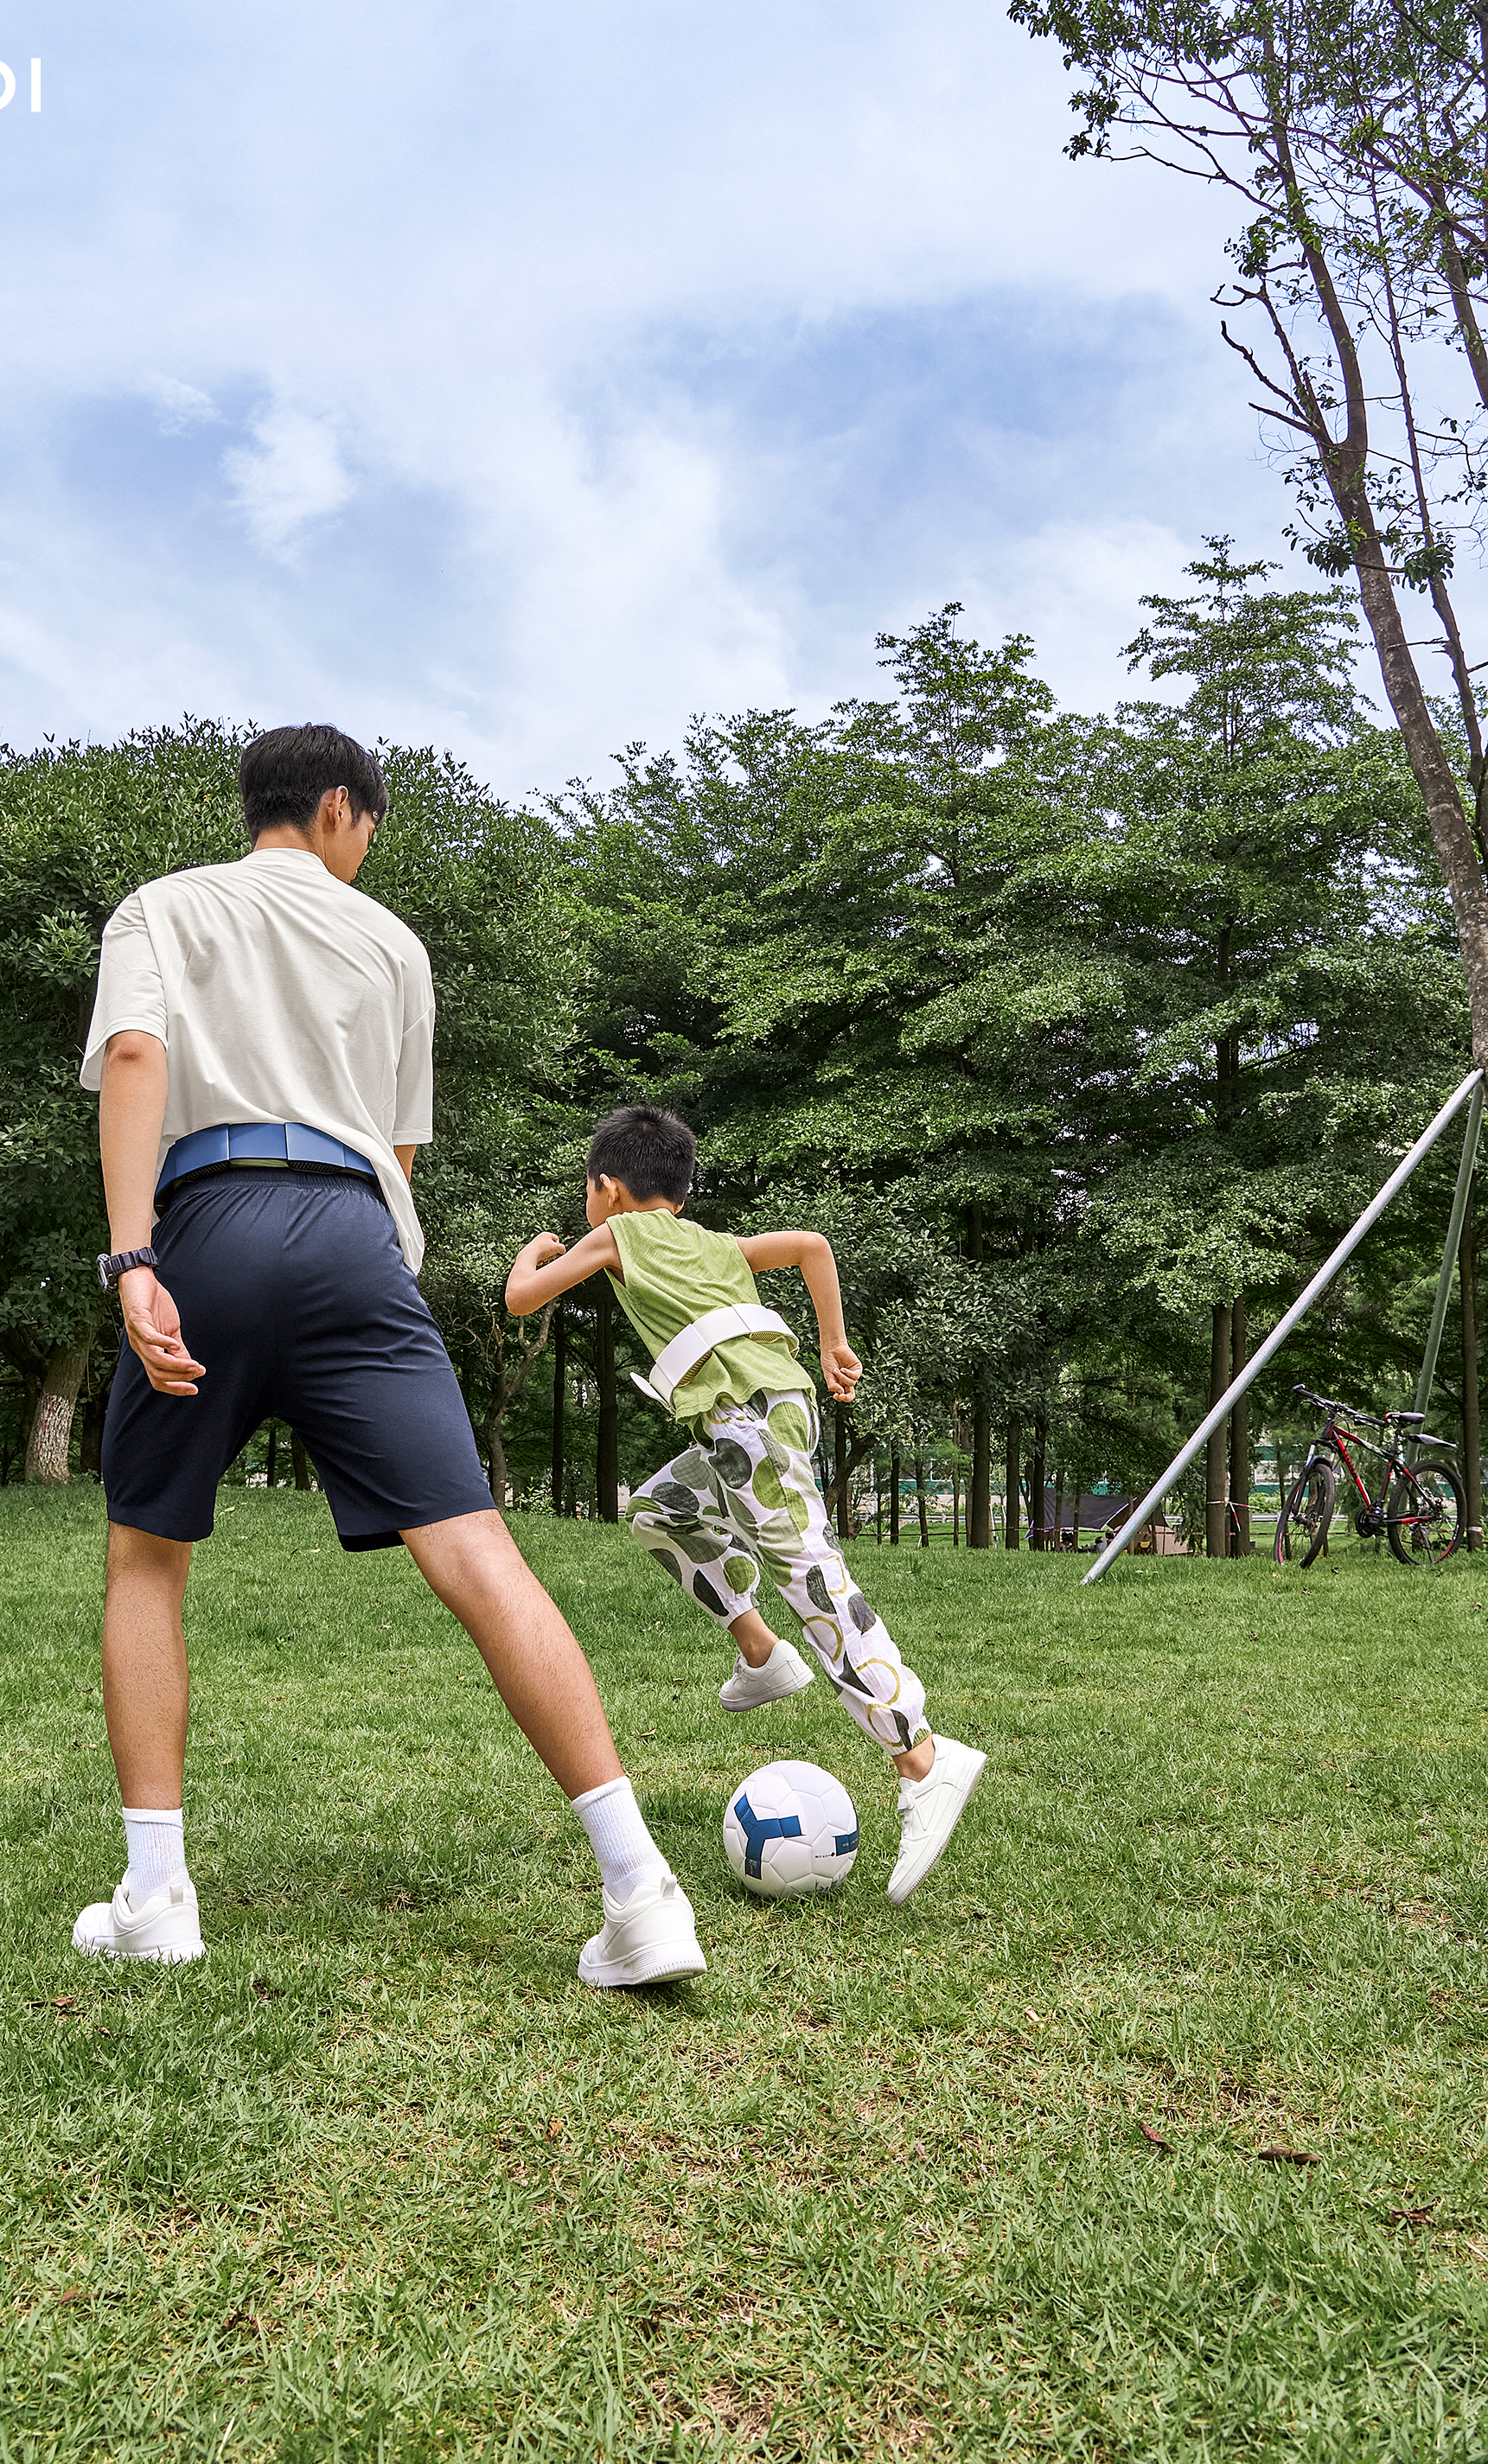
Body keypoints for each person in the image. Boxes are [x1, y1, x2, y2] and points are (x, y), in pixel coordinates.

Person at [73, 725, 705, 1988]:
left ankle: (158, 1899)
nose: (370, 845)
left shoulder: (160, 907)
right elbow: (398, 1153)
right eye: (371, 824)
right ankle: (642, 1893)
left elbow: (135, 1060)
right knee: (479, 1548)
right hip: (357, 1239)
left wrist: (134, 1260)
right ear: (335, 810)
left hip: (209, 1220)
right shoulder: (394, 944)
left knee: (149, 1555)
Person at [505, 1104, 986, 1904]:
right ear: (680, 1197)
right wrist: (833, 1341)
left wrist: (537, 1250)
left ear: (608, 1189)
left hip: (745, 1422)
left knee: (812, 1576)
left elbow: (525, 1298)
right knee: (662, 1512)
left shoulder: (615, 1235)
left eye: (589, 1192)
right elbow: (811, 1248)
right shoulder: (713, 1244)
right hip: (764, 1416)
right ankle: (761, 1653)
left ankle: (923, 1758)